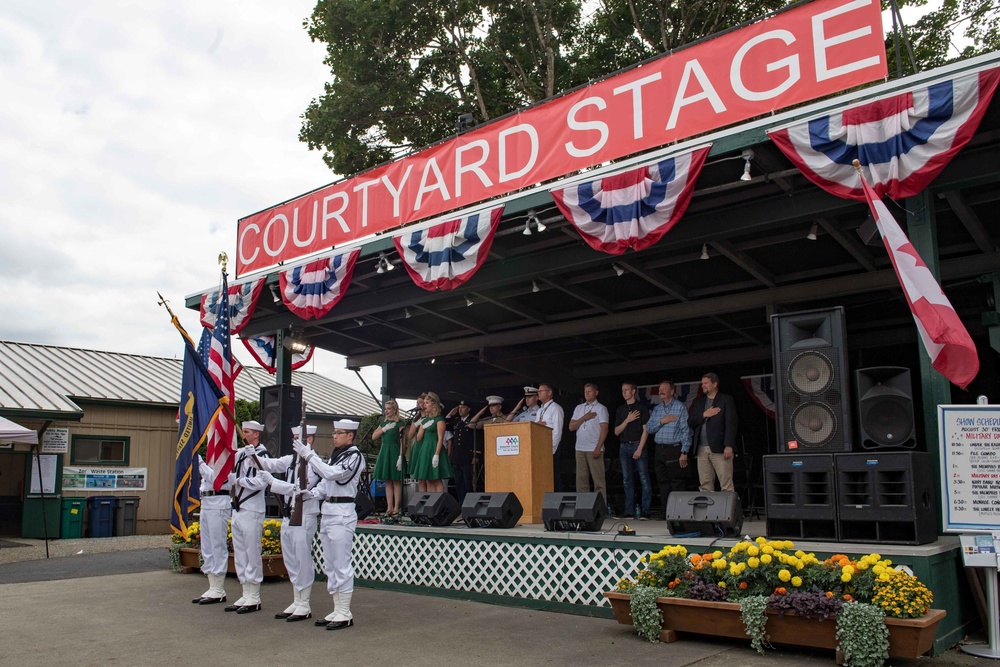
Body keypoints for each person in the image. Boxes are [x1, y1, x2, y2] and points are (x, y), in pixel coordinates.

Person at [293, 419, 365, 630]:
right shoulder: (337, 456)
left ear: (350, 436)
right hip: (329, 511)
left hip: (343, 512)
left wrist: (309, 455)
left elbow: (333, 474)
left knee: (341, 563)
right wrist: (310, 494)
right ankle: (336, 608)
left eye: (339, 433)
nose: (334, 436)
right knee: (330, 564)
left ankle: (345, 612)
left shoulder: (355, 456)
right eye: (334, 432)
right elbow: (325, 485)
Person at [256, 424, 322, 622]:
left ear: (309, 440)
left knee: (302, 560)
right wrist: (250, 455)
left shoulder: (314, 463)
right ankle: (297, 598)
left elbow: (300, 488)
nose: (293, 441)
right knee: (291, 560)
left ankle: (305, 603)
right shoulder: (292, 460)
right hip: (288, 515)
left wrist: (272, 483)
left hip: (304, 516)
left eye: (297, 438)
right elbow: (272, 464)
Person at [224, 421, 269, 614]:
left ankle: (254, 596)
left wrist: (239, 480)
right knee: (240, 553)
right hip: (238, 508)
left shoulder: (262, 455)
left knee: (252, 553)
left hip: (252, 509)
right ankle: (245, 591)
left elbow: (261, 482)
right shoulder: (241, 454)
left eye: (248, 432)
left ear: (256, 435)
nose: (244, 434)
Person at [644, 381, 694, 514]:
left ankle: (679, 512)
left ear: (672, 391)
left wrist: (684, 452)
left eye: (664, 389)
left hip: (675, 448)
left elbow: (686, 431)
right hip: (659, 449)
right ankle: (666, 511)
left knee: (677, 482)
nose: (661, 391)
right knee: (662, 481)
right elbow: (649, 428)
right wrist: (662, 421)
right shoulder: (657, 409)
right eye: (660, 389)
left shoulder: (680, 407)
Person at [192, 448, 232, 605]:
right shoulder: (210, 460)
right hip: (206, 503)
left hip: (219, 503)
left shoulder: (227, 459)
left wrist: (200, 463)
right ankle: (212, 585)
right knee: (206, 546)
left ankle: (219, 588)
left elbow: (218, 480)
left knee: (217, 546)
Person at [688, 372, 739, 493]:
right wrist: (705, 414)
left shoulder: (726, 399)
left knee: (726, 484)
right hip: (701, 448)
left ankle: (727, 512)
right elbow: (690, 421)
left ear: (714, 384)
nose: (703, 386)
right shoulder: (699, 402)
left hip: (720, 447)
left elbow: (731, 423)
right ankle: (707, 512)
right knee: (705, 485)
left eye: (705, 383)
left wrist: (728, 445)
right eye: (702, 383)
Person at [614, 382, 651, 520]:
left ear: (633, 391)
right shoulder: (620, 410)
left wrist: (640, 448)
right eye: (622, 390)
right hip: (624, 446)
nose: (624, 393)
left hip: (637, 444)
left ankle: (646, 511)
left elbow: (646, 430)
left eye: (627, 390)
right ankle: (629, 511)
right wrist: (627, 420)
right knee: (627, 480)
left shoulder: (642, 408)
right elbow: (616, 431)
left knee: (644, 478)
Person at [568, 383, 609, 501]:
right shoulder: (579, 408)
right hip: (580, 448)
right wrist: (584, 418)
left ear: (596, 392)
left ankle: (601, 507)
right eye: (585, 392)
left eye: (590, 391)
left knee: (598, 480)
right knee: (581, 480)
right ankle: (583, 506)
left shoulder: (601, 408)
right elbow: (571, 427)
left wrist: (598, 448)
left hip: (594, 448)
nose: (587, 394)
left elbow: (604, 429)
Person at [408, 392, 452, 494]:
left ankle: (439, 503)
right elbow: (418, 438)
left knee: (436, 479)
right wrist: (422, 425)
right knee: (428, 478)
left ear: (434, 405)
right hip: (425, 449)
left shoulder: (439, 419)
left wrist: (436, 454)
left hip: (434, 448)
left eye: (427, 403)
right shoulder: (425, 420)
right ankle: (430, 504)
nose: (424, 405)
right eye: (424, 403)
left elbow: (441, 438)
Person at [371, 399, 406, 522]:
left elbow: (403, 441)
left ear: (394, 409)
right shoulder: (383, 423)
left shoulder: (400, 423)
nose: (386, 411)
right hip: (385, 450)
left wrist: (401, 456)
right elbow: (374, 436)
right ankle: (389, 507)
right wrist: (384, 429)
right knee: (387, 481)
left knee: (396, 480)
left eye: (389, 409)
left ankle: (396, 507)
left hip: (395, 450)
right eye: (385, 409)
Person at [534, 383, 565, 491]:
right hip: (541, 448)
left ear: (549, 392)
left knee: (554, 477)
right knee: (544, 477)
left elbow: (557, 431)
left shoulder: (555, 408)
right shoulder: (539, 410)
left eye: (541, 391)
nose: (538, 393)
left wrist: (552, 449)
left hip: (551, 448)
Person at [446, 400, 477, 502]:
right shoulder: (456, 421)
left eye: (463, 407)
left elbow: (477, 438)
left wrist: (476, 454)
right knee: (459, 482)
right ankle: (462, 504)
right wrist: (450, 413)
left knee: (468, 482)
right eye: (459, 407)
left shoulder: (472, 421)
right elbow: (445, 424)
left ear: (468, 409)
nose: (460, 410)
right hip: (456, 457)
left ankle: (470, 504)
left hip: (467, 456)